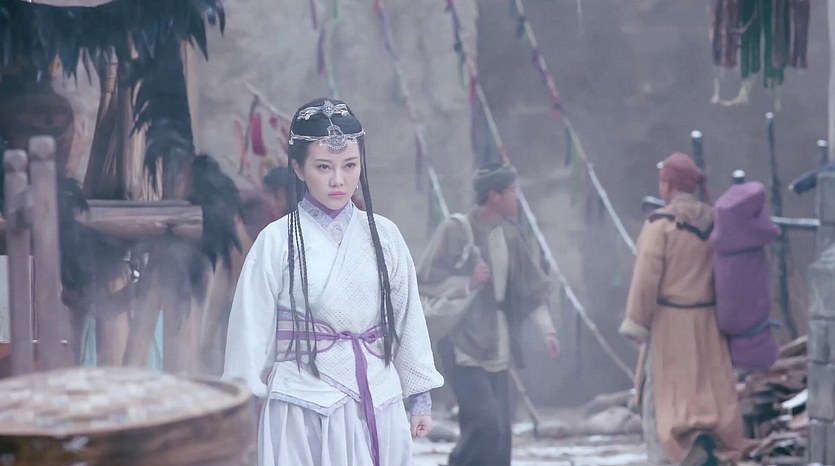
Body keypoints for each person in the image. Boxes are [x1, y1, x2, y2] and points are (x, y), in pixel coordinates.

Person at [223, 98, 444, 466]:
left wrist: (420, 396)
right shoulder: (276, 241)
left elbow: (408, 318)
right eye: (323, 167)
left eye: (350, 165)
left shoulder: (385, 236)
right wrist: (243, 402)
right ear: (298, 168)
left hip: (378, 396)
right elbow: (250, 326)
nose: (338, 180)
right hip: (302, 401)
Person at [417, 161, 560, 466]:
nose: (517, 197)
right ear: (494, 195)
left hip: (500, 345)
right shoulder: (456, 230)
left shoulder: (511, 236)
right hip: (464, 345)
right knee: (485, 424)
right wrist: (467, 283)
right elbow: (424, 280)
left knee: (501, 437)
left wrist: (547, 331)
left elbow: (532, 289)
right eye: (512, 191)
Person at [619, 152, 745, 466]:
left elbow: (646, 277)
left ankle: (677, 455)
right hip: (709, 324)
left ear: (669, 185)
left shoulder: (660, 225)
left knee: (663, 399)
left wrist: (637, 320)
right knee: (706, 394)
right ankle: (706, 445)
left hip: (671, 326)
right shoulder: (716, 221)